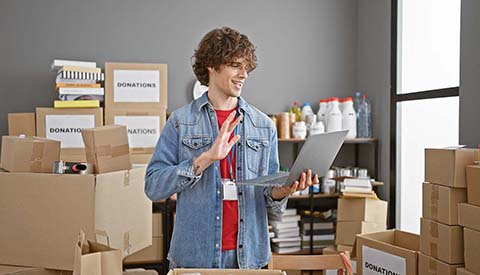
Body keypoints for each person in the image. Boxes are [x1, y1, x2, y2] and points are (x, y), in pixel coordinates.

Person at [144, 26, 319, 269]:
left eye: (247, 67)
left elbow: (269, 200)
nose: (244, 74)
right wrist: (205, 158)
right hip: (195, 258)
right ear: (212, 66)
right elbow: (153, 186)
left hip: (248, 258)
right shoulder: (180, 122)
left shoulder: (263, 126)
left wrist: (285, 189)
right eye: (236, 65)